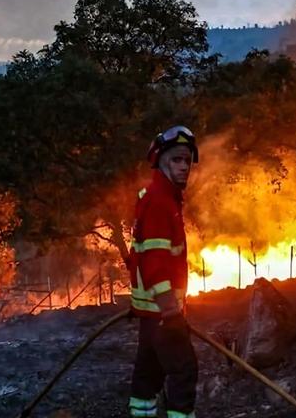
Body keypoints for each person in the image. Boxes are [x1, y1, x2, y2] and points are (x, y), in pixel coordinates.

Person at [127, 125, 199, 418]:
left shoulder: (161, 196)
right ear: (161, 161)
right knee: (184, 372)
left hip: (150, 313)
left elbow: (141, 257)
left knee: (148, 376)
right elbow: (155, 264)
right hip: (162, 313)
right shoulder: (159, 201)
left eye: (187, 161)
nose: (184, 167)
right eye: (176, 160)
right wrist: (171, 312)